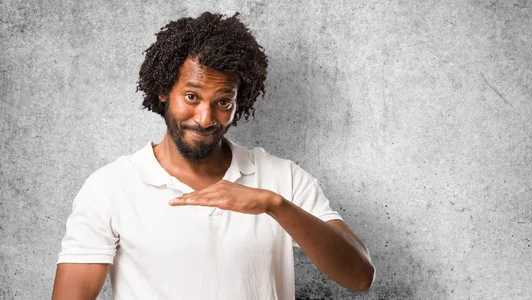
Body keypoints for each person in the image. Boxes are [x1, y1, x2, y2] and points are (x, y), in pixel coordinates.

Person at [52, 12, 375, 300]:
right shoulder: (111, 186)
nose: (205, 118)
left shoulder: (283, 178)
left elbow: (359, 277)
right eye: (191, 97)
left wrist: (274, 205)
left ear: (239, 103)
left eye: (223, 102)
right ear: (163, 90)